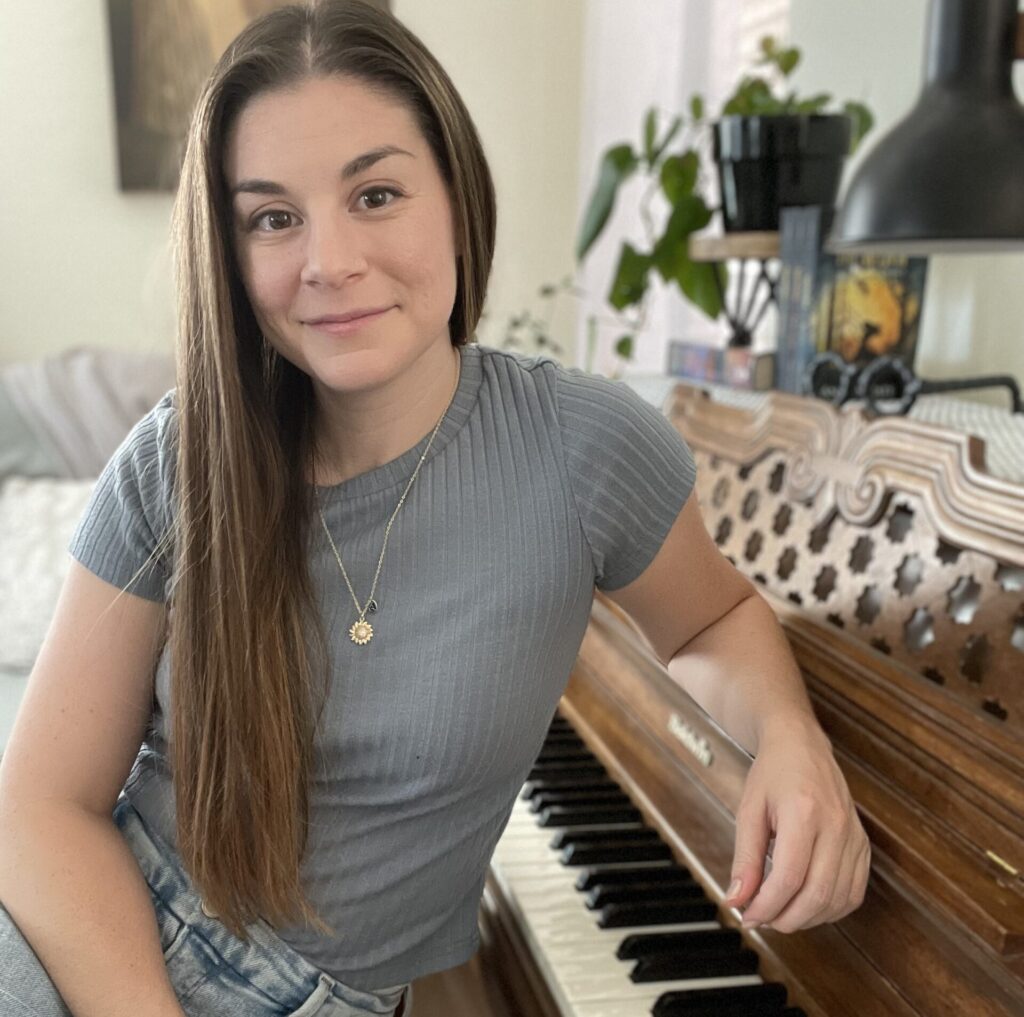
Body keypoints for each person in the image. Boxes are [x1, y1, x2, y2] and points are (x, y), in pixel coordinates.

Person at [0, 1, 870, 1015]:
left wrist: (791, 736)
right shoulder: (174, 461)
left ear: (456, 198)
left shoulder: (581, 445)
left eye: (374, 194)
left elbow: (711, 619)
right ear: (229, 255)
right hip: (88, 950)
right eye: (273, 218)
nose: (329, 260)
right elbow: (43, 806)